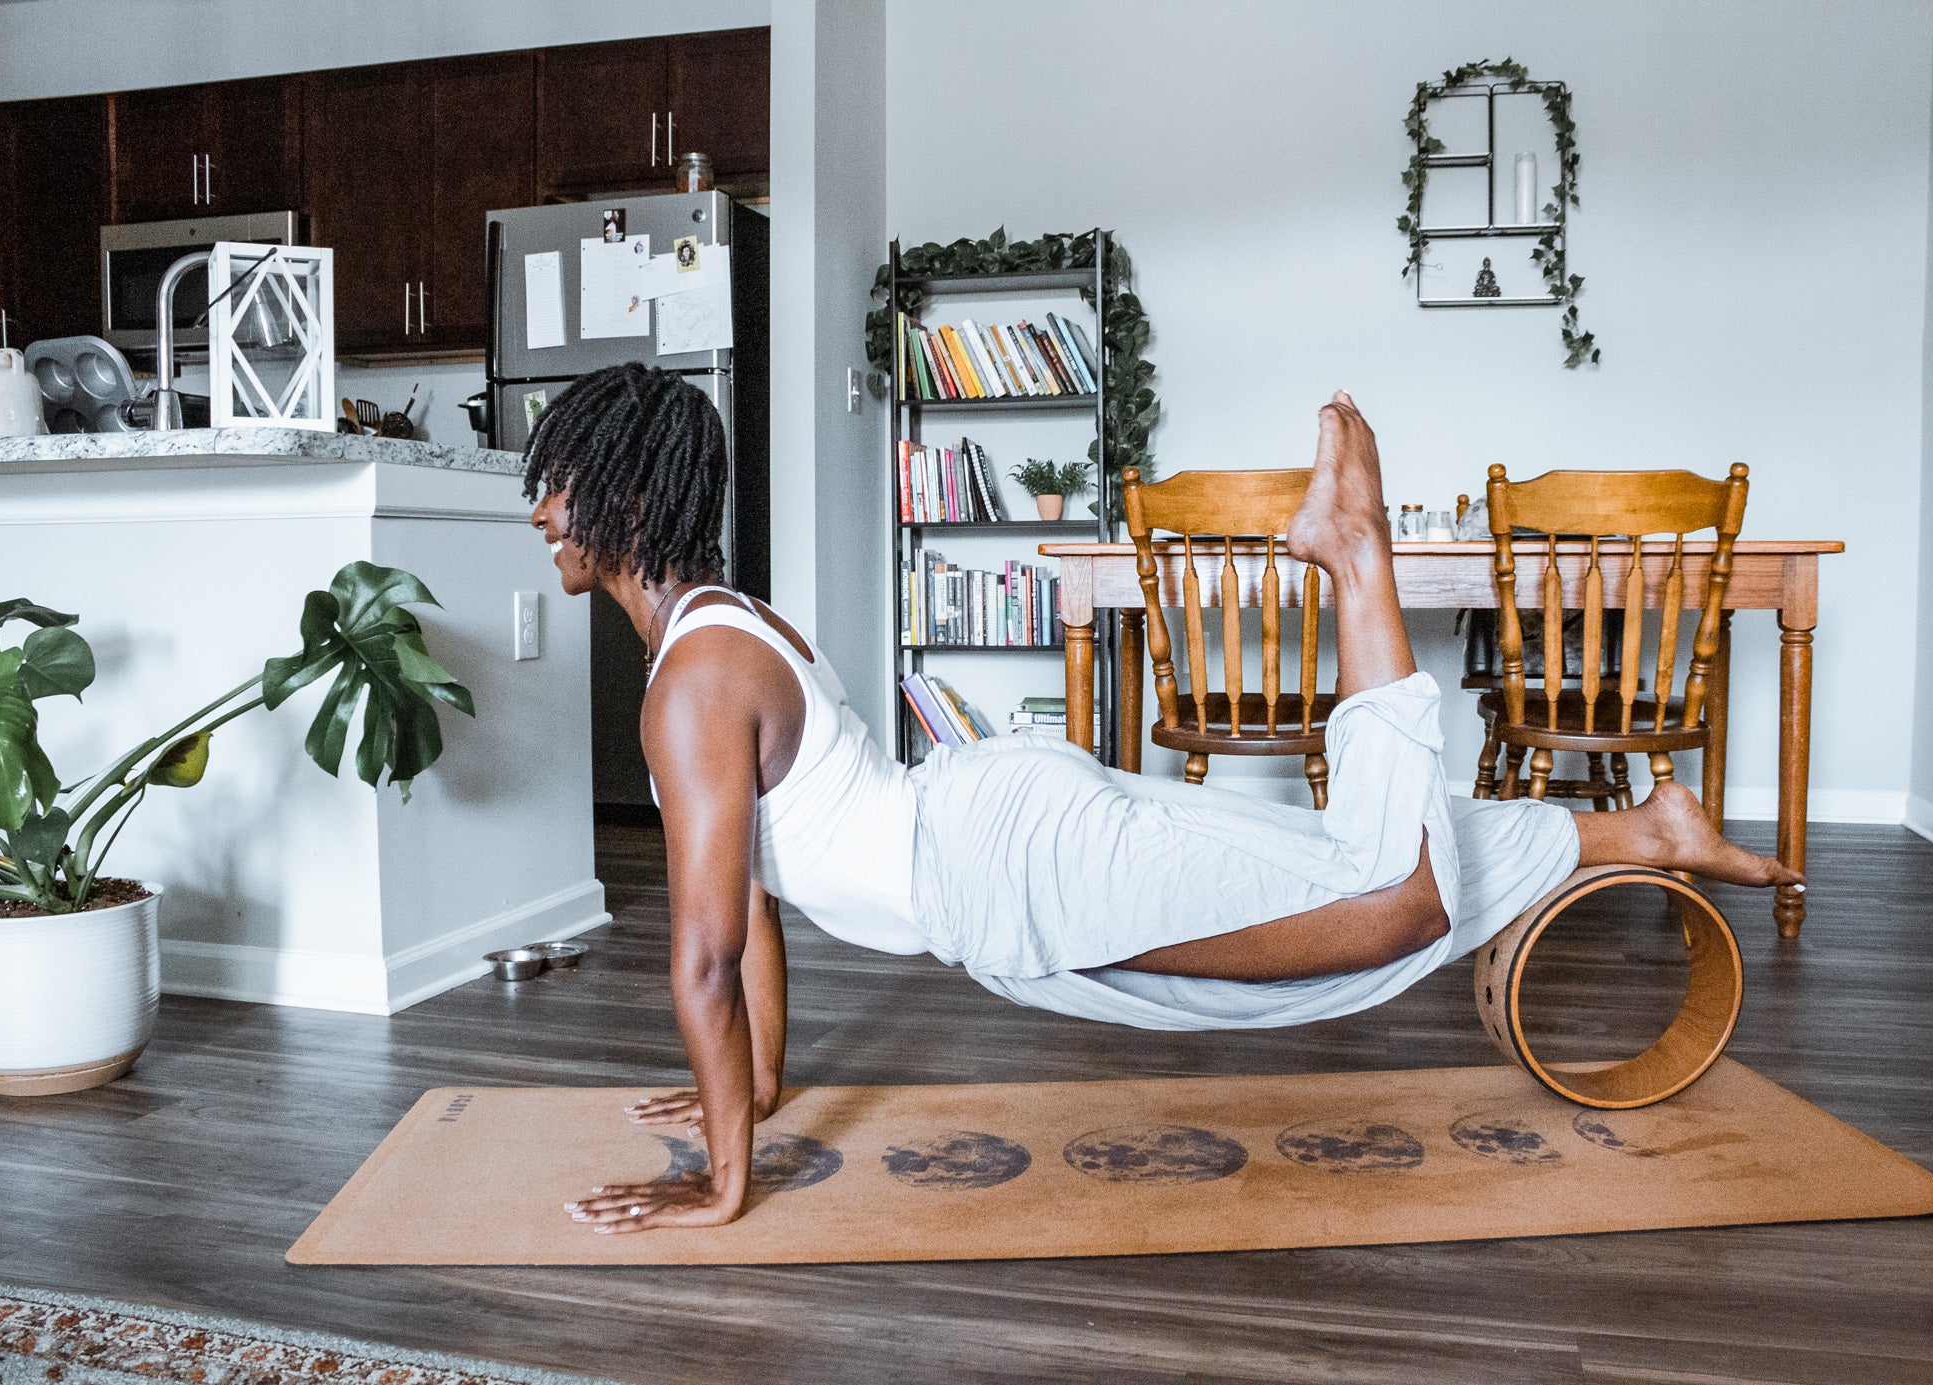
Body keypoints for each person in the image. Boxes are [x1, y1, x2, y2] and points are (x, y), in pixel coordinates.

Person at [523, 364, 1801, 1235]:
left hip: (1012, 870)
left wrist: (722, 1187)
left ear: (627, 497)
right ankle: (1635, 829)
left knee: (1389, 903)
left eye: (562, 481)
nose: (541, 509)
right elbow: (745, 918)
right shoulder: (725, 630)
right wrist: (749, 1097)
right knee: (1342, 866)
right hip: (1000, 844)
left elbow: (698, 955)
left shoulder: (691, 680)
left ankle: (1356, 555)